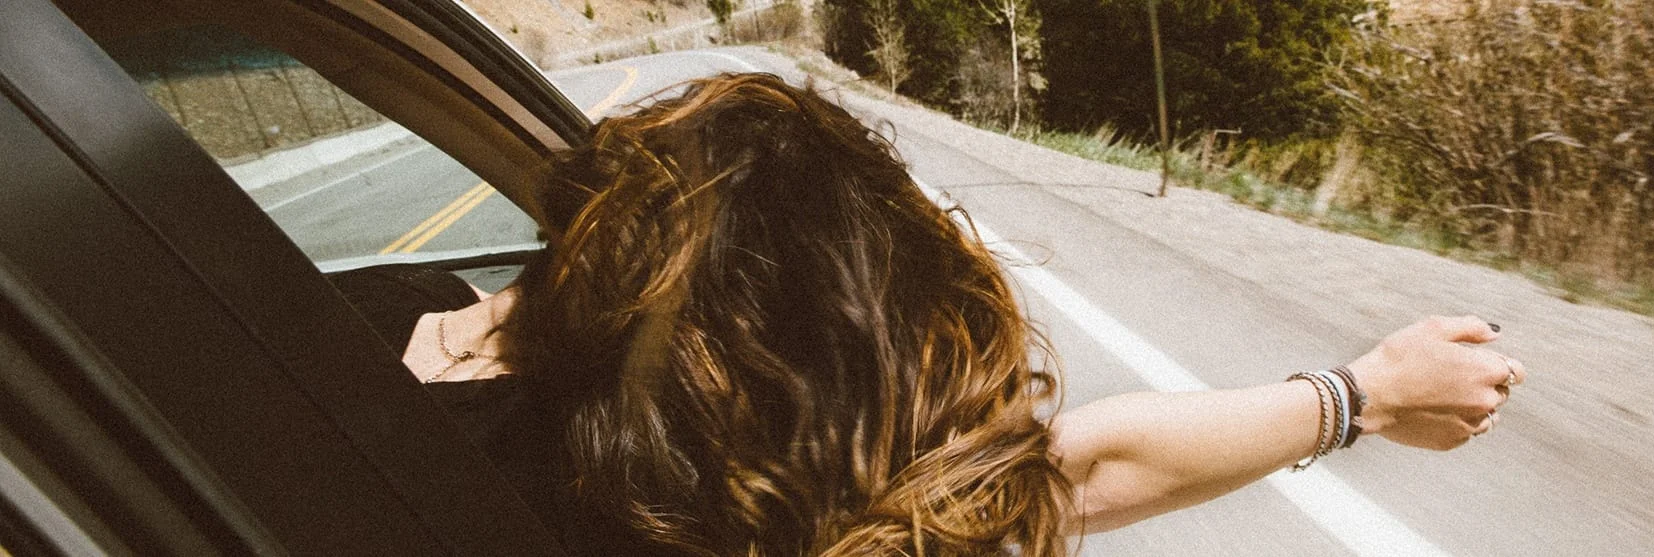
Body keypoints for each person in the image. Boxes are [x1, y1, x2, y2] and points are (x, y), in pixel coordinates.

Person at [335, 73, 1526, 556]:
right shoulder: (660, 498)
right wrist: (1363, 395)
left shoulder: (363, 310)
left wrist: (1366, 395)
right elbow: (1067, 470)